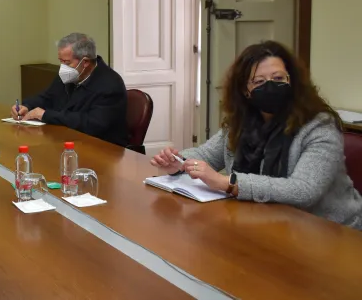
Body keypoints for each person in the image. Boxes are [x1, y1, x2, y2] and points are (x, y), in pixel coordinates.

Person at [151, 41, 362, 229]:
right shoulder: (242, 122)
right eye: (259, 81)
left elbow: (304, 190)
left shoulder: (320, 126)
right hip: (266, 222)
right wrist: (179, 162)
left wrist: (229, 183)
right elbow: (206, 155)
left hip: (328, 232)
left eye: (278, 78)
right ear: (246, 90)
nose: (270, 86)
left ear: (292, 82)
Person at [12, 33, 128, 146]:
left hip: (102, 148)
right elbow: (47, 97)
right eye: (60, 61)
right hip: (67, 141)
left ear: (85, 62)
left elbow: (92, 123)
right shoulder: (69, 75)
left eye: (66, 62)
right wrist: (27, 106)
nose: (63, 67)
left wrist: (46, 115)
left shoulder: (110, 84)